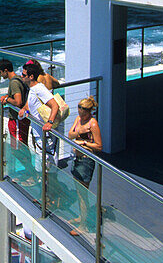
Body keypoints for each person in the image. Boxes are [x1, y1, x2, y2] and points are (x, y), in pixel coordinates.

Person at [67, 97, 103, 234]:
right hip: (76, 159)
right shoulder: (79, 119)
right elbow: (70, 134)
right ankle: (81, 217)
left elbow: (99, 146)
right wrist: (79, 133)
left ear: (89, 111)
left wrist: (84, 143)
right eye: (79, 110)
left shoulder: (93, 124)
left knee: (83, 194)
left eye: (83, 112)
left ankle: (84, 226)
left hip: (86, 161)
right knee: (79, 192)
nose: (80, 113)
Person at [0, 59, 27, 142]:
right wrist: (7, 96)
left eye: (0, 72)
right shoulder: (18, 78)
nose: (0, 75)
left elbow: (18, 102)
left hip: (16, 119)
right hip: (21, 119)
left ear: (5, 71)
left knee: (17, 146)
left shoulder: (14, 83)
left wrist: (7, 99)